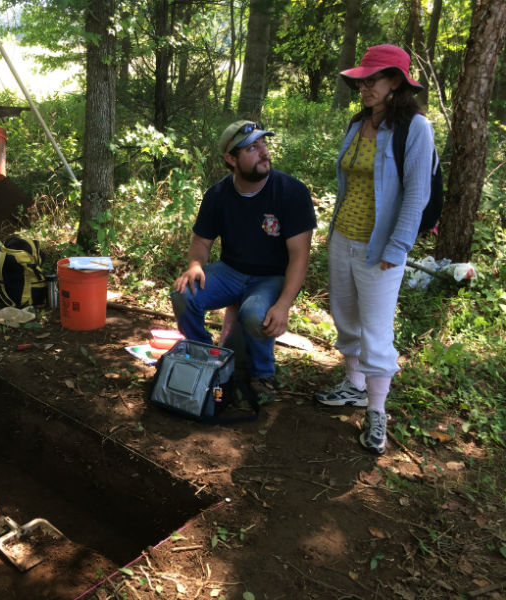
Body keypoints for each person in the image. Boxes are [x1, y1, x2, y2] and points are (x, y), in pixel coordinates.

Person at [315, 45, 435, 455]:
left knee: (377, 332)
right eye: (361, 80)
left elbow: (416, 194)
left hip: (381, 249)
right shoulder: (358, 122)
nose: (364, 87)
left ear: (396, 82)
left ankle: (377, 410)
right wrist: (334, 237)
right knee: (345, 317)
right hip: (343, 239)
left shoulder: (415, 128)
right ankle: (353, 386)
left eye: (373, 79)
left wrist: (397, 246)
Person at [171, 120, 316, 402]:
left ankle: (262, 374)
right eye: (252, 148)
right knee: (184, 294)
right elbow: (201, 241)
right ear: (231, 159)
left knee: (255, 315)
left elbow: (300, 256)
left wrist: (284, 304)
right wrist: (195, 266)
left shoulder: (291, 192)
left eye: (263, 144)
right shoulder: (218, 194)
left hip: (272, 277)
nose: (263, 152)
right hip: (230, 271)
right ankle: (204, 356)